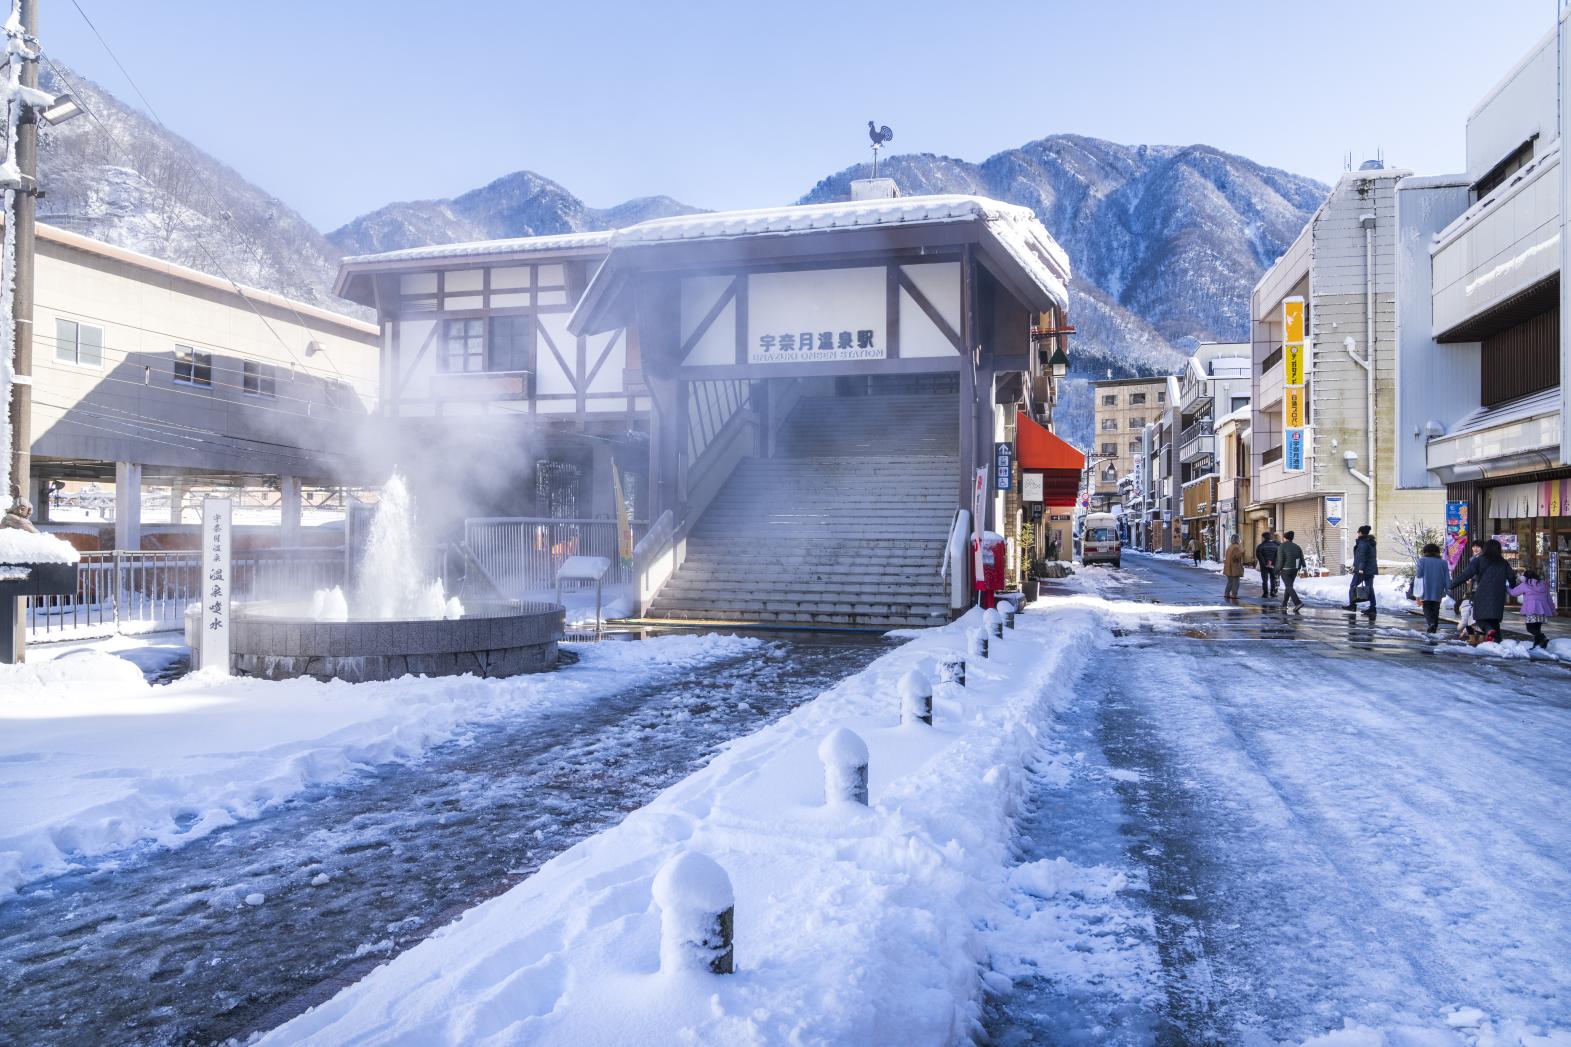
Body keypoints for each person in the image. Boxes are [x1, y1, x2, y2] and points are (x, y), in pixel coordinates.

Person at [1448, 538, 1518, 642]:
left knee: (1479, 617)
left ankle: (1489, 630)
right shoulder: (1503, 562)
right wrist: (1512, 587)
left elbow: (1466, 574)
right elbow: (1512, 577)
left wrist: (1451, 585)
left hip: (1483, 594)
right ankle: (1498, 643)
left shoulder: (1479, 560)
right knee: (1494, 620)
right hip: (1499, 595)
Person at [1508, 569, 1555, 649]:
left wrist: (1506, 587)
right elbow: (1549, 598)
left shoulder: (1525, 584)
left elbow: (1513, 593)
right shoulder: (1543, 584)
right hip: (1542, 609)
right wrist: (1553, 609)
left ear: (1525, 577)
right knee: (1537, 628)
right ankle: (1538, 646)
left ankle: (1543, 637)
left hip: (1532, 609)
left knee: (1530, 628)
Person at [1410, 542, 1449, 634]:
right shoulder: (1443, 562)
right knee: (1436, 608)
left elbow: (1419, 575)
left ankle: (1431, 623)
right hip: (1438, 588)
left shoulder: (1422, 560)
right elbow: (1447, 577)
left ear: (1425, 552)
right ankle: (1434, 626)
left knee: (1427, 606)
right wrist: (1448, 588)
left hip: (1426, 587)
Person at [1345, 524, 1378, 616]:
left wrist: (1360, 569)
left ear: (1361, 533)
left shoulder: (1363, 543)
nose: (1357, 533)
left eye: (1358, 531)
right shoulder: (1371, 542)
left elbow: (1362, 557)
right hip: (1370, 570)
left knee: (1353, 586)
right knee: (1370, 588)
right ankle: (1372, 608)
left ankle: (1352, 605)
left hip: (1362, 570)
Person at [1276, 529, 1305, 612]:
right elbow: (1301, 558)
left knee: (1288, 586)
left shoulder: (1282, 546)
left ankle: (1297, 602)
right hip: (1294, 570)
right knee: (1289, 586)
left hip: (1285, 570)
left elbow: (1281, 560)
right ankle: (1284, 604)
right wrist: (1304, 567)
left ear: (1285, 538)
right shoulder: (1297, 546)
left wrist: (1278, 569)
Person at [1256, 531, 1280, 598]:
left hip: (1264, 566)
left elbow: (1259, 556)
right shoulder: (1276, 546)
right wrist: (1272, 563)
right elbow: (1277, 556)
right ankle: (1272, 592)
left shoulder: (1260, 546)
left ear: (1263, 538)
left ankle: (1265, 593)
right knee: (1273, 579)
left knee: (1265, 580)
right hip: (1273, 565)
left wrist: (1265, 564)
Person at [1222, 534, 1244, 601]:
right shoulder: (1237, 547)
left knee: (1230, 581)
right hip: (1234, 567)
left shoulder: (1230, 547)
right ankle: (1234, 594)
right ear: (1237, 539)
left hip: (1228, 567)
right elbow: (1236, 557)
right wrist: (1242, 551)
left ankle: (1226, 593)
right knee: (1235, 582)